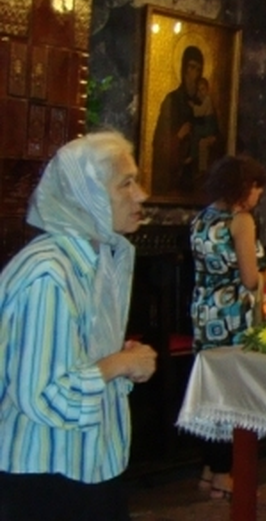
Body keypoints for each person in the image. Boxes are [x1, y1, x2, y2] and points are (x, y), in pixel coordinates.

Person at [0, 132, 157, 520]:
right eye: (126, 183)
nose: (141, 195)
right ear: (87, 195)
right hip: (44, 469)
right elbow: (42, 394)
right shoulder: (49, 274)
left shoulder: (97, 257)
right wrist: (120, 363)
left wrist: (122, 362)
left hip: (86, 457)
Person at [189, 155, 266, 499]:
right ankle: (224, 475)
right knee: (233, 391)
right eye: (257, 188)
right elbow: (249, 278)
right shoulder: (240, 221)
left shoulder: (201, 218)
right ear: (244, 187)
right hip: (233, 314)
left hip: (205, 311)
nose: (258, 195)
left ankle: (208, 469)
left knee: (211, 389)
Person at [152, 45, 220, 196]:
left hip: (199, 181)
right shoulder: (172, 101)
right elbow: (159, 146)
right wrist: (178, 136)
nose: (195, 74)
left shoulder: (205, 104)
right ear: (184, 69)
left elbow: (218, 138)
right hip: (176, 181)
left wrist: (212, 140)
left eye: (199, 69)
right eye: (192, 67)